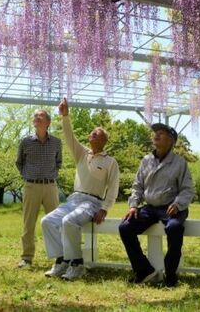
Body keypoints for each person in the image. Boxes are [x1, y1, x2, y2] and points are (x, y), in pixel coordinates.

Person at [40, 98, 119, 281]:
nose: (92, 134)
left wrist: (105, 208)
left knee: (69, 222)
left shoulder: (110, 162)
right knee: (47, 221)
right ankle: (61, 261)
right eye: (92, 132)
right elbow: (69, 136)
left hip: (92, 202)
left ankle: (77, 264)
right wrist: (65, 116)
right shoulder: (82, 154)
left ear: (104, 140)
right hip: (73, 199)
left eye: (96, 133)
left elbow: (113, 187)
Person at [119, 123, 195, 287]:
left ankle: (170, 275)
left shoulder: (179, 162)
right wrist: (133, 205)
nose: (156, 135)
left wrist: (178, 204)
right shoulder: (146, 160)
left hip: (171, 206)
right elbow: (137, 186)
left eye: (161, 133)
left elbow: (187, 190)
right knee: (125, 227)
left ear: (171, 141)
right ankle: (144, 270)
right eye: (155, 133)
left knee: (174, 228)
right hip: (150, 207)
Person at [16, 109, 62, 268]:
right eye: (35, 115)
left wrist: (51, 175)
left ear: (48, 122)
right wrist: (28, 176)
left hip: (50, 186)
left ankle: (59, 258)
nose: (36, 117)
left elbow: (59, 162)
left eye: (40, 115)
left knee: (55, 222)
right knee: (28, 223)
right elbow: (19, 163)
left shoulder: (57, 142)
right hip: (31, 187)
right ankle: (27, 258)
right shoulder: (25, 142)